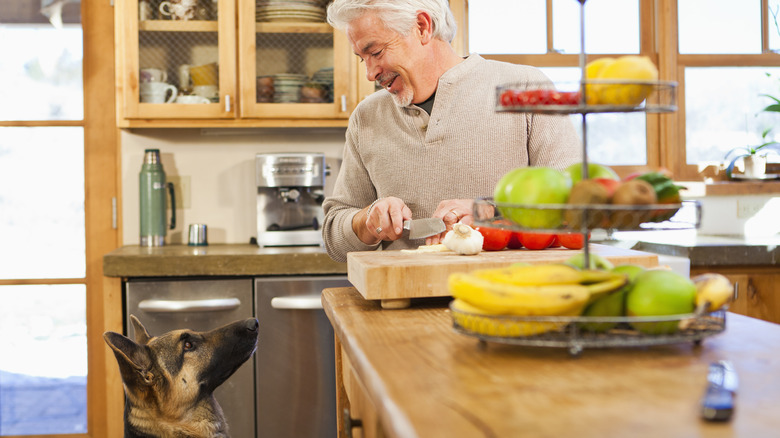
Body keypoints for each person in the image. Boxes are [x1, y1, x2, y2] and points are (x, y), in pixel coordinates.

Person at [322, 0, 582, 263]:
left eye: (375, 52)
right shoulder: (366, 117)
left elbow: (576, 206)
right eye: (361, 58)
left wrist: (493, 213)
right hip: (404, 295)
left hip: (508, 294)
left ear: (422, 27)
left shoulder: (527, 88)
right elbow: (334, 237)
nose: (369, 73)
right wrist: (367, 220)